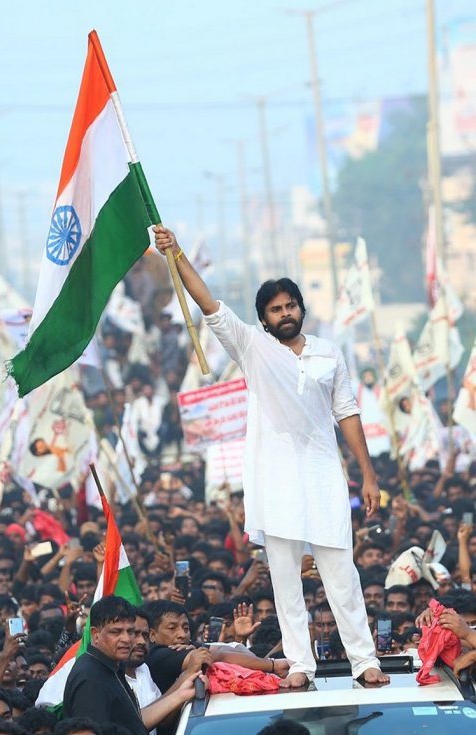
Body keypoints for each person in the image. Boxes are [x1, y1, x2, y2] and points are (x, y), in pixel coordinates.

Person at [154, 225, 389, 687]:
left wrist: (369, 475)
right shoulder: (252, 348)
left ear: (301, 309)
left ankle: (364, 661)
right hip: (274, 480)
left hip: (324, 475)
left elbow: (348, 413)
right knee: (284, 577)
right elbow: (207, 302)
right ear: (264, 319)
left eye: (290, 306)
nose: (285, 314)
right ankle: (301, 664)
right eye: (276, 309)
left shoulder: (329, 354)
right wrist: (176, 252)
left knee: (341, 572)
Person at [63, 595, 204, 734]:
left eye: (130, 631)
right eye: (116, 632)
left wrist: (181, 692)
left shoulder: (114, 667)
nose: (126, 639)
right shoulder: (90, 678)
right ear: (95, 634)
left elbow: (135, 722)